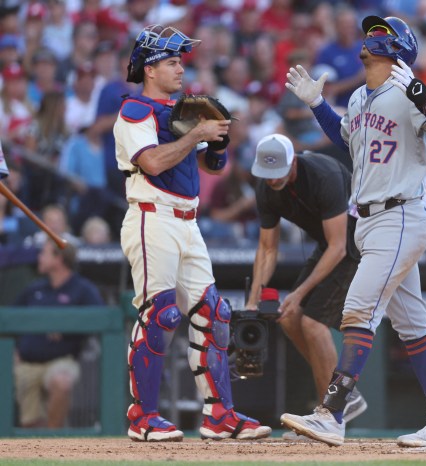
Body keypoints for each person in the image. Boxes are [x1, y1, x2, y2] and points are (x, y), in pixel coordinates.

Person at [279, 15, 426, 447]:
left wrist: (425, 99)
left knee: (358, 309)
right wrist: (317, 105)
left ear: (398, 48)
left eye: (380, 33)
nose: (370, 37)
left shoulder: (408, 92)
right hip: (369, 220)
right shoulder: (363, 96)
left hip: (400, 214)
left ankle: (332, 413)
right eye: (370, 32)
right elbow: (346, 137)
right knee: (412, 325)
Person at [113, 24, 270, 442]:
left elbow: (209, 168)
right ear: (149, 69)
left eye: (180, 61)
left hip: (188, 221)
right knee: (160, 315)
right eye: (170, 62)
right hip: (152, 216)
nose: (180, 69)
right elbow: (153, 163)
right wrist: (198, 134)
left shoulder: (179, 110)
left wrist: (216, 143)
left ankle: (220, 415)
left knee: (214, 314)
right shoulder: (135, 110)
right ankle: (142, 418)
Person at [247, 134, 367, 439]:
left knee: (313, 323)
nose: (272, 180)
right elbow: (268, 248)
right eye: (266, 173)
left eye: (277, 172)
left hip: (359, 240)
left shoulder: (322, 176)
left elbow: (340, 247)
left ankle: (334, 407)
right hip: (329, 244)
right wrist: (253, 299)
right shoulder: (266, 187)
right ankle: (337, 404)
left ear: (293, 162)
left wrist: (298, 292)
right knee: (288, 316)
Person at [13, 239, 103, 428]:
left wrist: (68, 329)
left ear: (59, 259)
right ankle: (35, 445)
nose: (39, 258)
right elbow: (9, 319)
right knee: (30, 420)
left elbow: (101, 319)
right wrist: (13, 353)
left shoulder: (83, 289)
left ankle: (53, 439)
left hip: (62, 359)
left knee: (61, 382)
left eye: (44, 253)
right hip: (26, 363)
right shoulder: (35, 288)